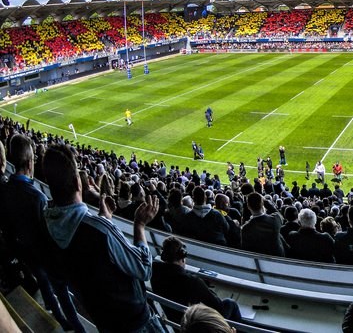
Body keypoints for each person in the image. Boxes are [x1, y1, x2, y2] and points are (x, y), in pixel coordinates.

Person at [42, 144, 164, 332]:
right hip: (135, 323)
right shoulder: (100, 230)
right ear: (78, 183)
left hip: (104, 322)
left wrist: (104, 219)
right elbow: (144, 268)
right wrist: (139, 224)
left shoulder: (47, 224)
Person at [0, 135, 83, 332]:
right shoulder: (36, 196)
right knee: (60, 290)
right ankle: (75, 325)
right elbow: (47, 231)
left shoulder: (7, 188)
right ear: (30, 162)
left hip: (25, 253)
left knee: (45, 286)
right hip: (44, 256)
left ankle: (55, 312)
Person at [150, 237, 242, 323]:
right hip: (192, 325)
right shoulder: (192, 281)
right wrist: (202, 285)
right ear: (183, 256)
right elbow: (218, 306)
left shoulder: (153, 270)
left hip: (173, 321)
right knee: (230, 303)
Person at [241, 192, 286, 257]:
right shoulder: (275, 219)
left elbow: (246, 249)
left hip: (259, 259)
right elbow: (279, 214)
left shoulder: (245, 228)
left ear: (248, 206)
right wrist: (266, 202)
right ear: (262, 203)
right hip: (278, 257)